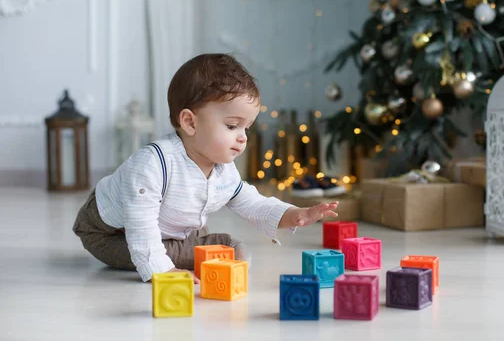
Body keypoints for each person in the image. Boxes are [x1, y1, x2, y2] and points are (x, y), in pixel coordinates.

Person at [73, 53, 338, 283]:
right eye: (232, 126)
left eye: (247, 127)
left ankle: (203, 245)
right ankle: (215, 248)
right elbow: (141, 228)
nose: (243, 137)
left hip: (171, 225)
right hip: (109, 232)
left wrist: (295, 214)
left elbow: (253, 203)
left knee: (197, 233)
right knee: (175, 249)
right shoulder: (153, 164)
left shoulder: (224, 169)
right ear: (189, 122)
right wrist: (163, 272)